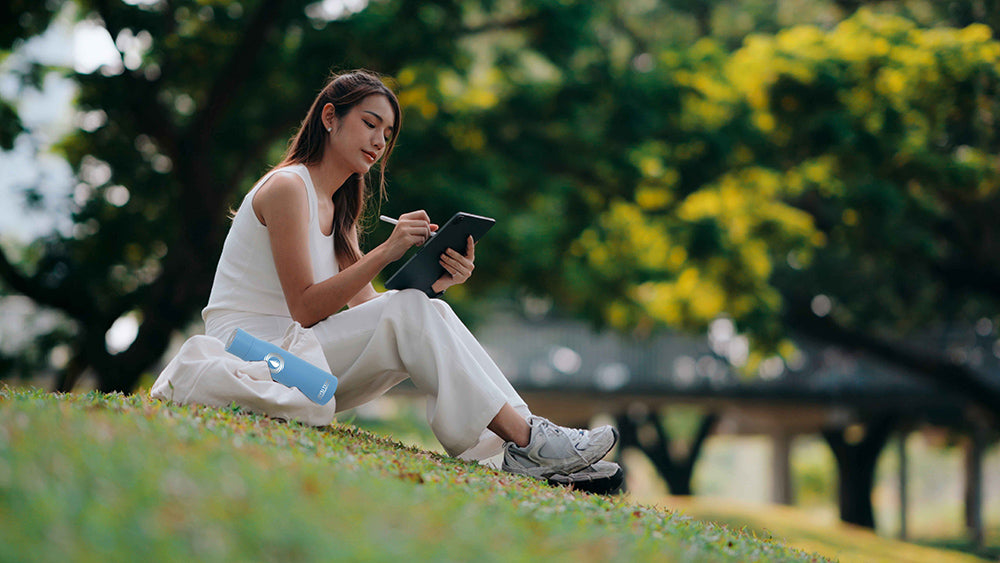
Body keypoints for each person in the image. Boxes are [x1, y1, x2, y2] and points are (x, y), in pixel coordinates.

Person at [201, 69, 620, 485]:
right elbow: (307, 307)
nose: (379, 142)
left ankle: (521, 446)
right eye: (369, 124)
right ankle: (531, 442)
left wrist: (435, 283)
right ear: (330, 118)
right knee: (412, 309)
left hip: (303, 367)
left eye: (387, 133)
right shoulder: (287, 188)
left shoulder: (339, 209)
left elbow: (370, 313)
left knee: (426, 306)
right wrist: (388, 249)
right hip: (250, 363)